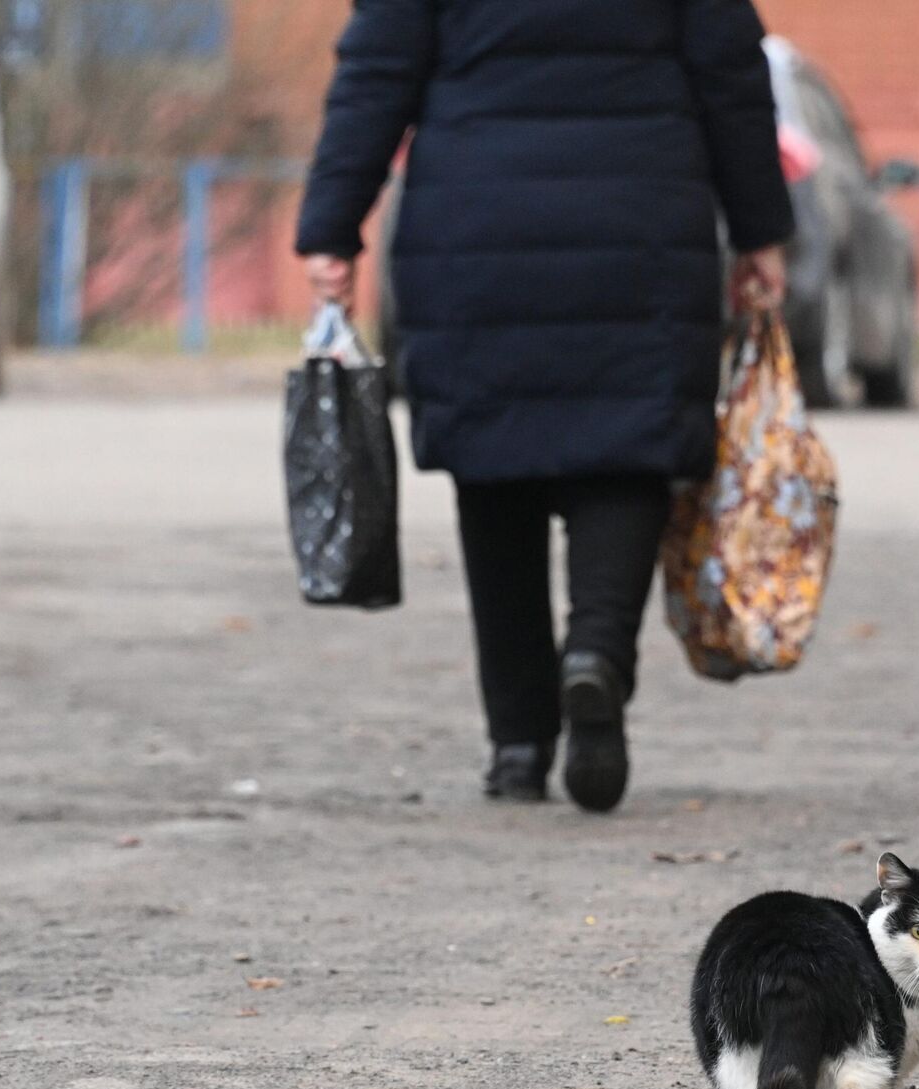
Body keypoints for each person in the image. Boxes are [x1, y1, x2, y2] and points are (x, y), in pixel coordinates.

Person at [296, 0, 793, 813]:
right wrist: (759, 229)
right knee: (629, 454)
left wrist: (331, 227)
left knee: (494, 470)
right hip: (640, 219)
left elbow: (375, 75)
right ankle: (594, 656)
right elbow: (731, 74)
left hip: (475, 218)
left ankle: (519, 744)